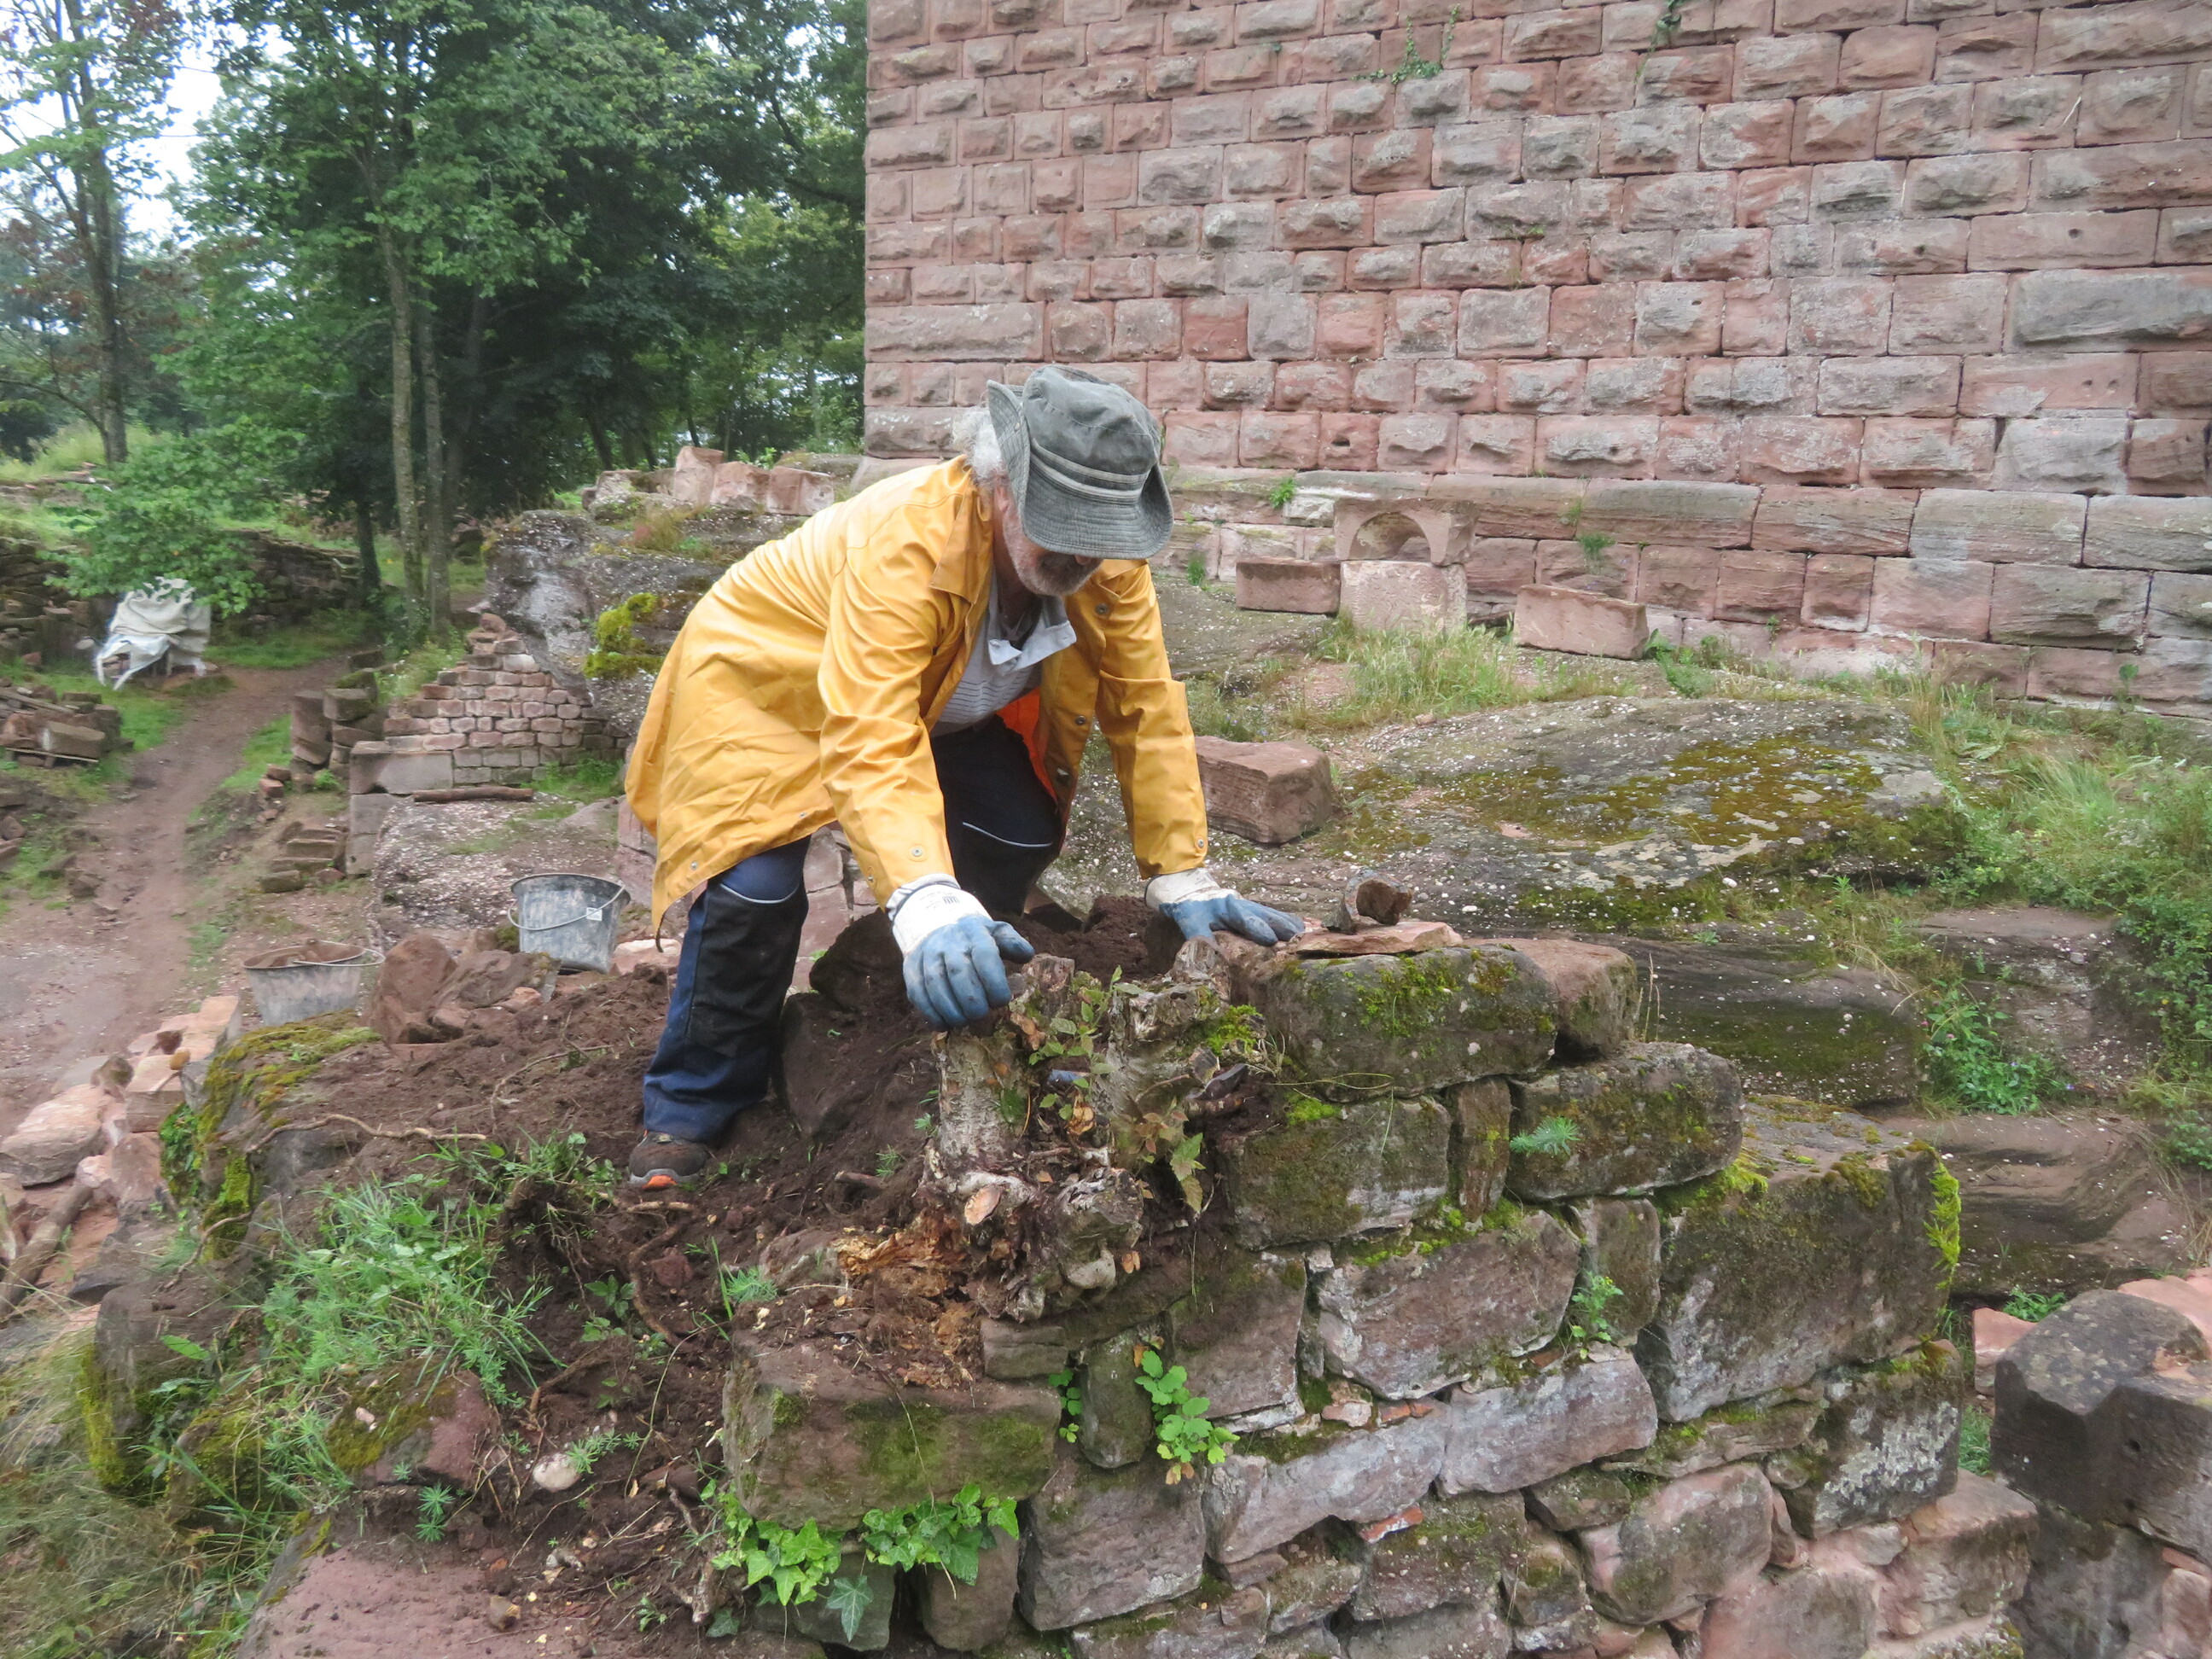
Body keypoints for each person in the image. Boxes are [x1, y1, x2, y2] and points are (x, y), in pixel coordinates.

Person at [621, 369, 1302, 1189]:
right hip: (766, 688)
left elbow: (1144, 706)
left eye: (1101, 530)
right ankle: (692, 1104)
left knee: (1014, 828)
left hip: (933, 703)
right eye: (1064, 525)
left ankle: (938, 999)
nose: (1084, 553)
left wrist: (1181, 871)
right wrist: (922, 894)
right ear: (998, 485)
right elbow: (872, 728)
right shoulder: (907, 541)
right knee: (757, 891)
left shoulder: (1108, 567)